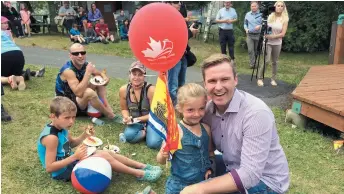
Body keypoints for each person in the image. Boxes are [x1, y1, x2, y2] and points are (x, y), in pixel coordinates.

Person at [180, 54, 290, 194]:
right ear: (205, 84)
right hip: (232, 165)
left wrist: (200, 188)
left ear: (235, 80)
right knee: (194, 165)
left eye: (225, 79)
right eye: (212, 81)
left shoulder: (256, 113)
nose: (218, 87)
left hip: (266, 182)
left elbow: (249, 175)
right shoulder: (205, 110)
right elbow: (189, 131)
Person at [37, 96, 163, 182]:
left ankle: (142, 166)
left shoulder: (62, 127)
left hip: (70, 161)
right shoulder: (51, 138)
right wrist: (74, 157)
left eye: (73, 117)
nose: (71, 121)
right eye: (67, 118)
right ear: (53, 116)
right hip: (62, 172)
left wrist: (84, 135)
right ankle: (139, 174)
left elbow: (72, 143)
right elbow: (50, 168)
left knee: (105, 153)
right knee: (102, 155)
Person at [157, 83, 215, 194]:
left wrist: (211, 168)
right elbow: (160, 160)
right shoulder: (176, 132)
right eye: (190, 110)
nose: (197, 114)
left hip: (203, 184)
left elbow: (210, 152)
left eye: (201, 108)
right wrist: (163, 154)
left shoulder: (206, 129)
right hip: (179, 186)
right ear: (180, 108)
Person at [55, 43, 116, 119]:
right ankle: (109, 114)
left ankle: (107, 106)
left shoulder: (85, 65)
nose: (80, 56)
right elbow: (79, 93)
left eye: (82, 53)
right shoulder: (68, 71)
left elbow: (99, 74)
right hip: (66, 105)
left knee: (98, 79)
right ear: (70, 56)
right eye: (76, 54)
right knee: (89, 92)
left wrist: (105, 78)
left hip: (77, 99)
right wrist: (88, 73)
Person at [119, 61, 163, 149]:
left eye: (140, 74)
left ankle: (153, 133)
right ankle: (145, 133)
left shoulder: (151, 90)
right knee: (128, 136)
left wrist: (138, 119)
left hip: (152, 121)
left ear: (144, 76)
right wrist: (127, 117)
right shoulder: (123, 90)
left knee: (153, 144)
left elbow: (157, 114)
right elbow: (124, 109)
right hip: (136, 122)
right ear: (129, 75)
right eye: (134, 74)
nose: (136, 77)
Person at [1, 16, 45, 91]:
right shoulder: (6, 33)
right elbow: (12, 43)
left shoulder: (6, 32)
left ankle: (9, 79)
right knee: (12, 72)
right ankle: (21, 78)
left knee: (5, 75)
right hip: (19, 54)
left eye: (6, 23)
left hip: (4, 56)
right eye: (4, 23)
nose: (6, 24)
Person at [167, 1, 198, 106]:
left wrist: (190, 31)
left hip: (182, 55)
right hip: (173, 56)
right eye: (176, 2)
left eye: (180, 2)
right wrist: (190, 32)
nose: (179, 4)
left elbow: (183, 38)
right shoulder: (168, 18)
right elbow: (176, 37)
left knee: (181, 84)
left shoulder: (178, 17)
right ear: (168, 3)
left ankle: (179, 106)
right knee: (173, 86)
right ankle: (173, 109)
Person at [257, 1, 289, 87]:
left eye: (281, 6)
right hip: (267, 42)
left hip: (277, 43)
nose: (279, 7)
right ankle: (260, 78)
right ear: (275, 7)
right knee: (266, 60)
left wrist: (272, 36)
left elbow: (283, 34)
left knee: (275, 62)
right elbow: (264, 26)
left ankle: (273, 79)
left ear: (283, 8)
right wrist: (260, 27)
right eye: (278, 5)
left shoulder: (285, 19)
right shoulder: (269, 16)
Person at [244, 2, 262, 69]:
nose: (253, 7)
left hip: (258, 35)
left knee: (256, 50)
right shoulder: (247, 14)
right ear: (250, 7)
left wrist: (260, 26)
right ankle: (252, 64)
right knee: (250, 50)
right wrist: (246, 28)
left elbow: (265, 23)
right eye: (252, 6)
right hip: (249, 35)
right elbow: (245, 23)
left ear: (257, 7)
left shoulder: (261, 14)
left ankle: (255, 63)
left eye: (255, 6)